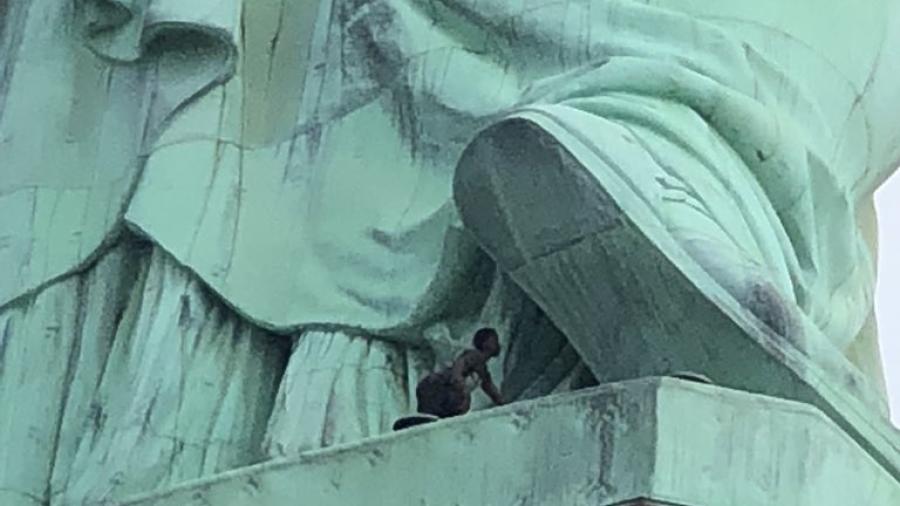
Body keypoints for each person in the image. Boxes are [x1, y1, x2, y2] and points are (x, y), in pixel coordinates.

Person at [415, 328, 505, 419]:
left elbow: (489, 387)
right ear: (486, 344)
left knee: (453, 409)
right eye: (495, 341)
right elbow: (459, 366)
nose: (498, 345)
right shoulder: (475, 356)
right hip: (433, 387)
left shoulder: (482, 367)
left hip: (430, 388)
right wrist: (465, 394)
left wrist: (503, 404)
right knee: (459, 404)